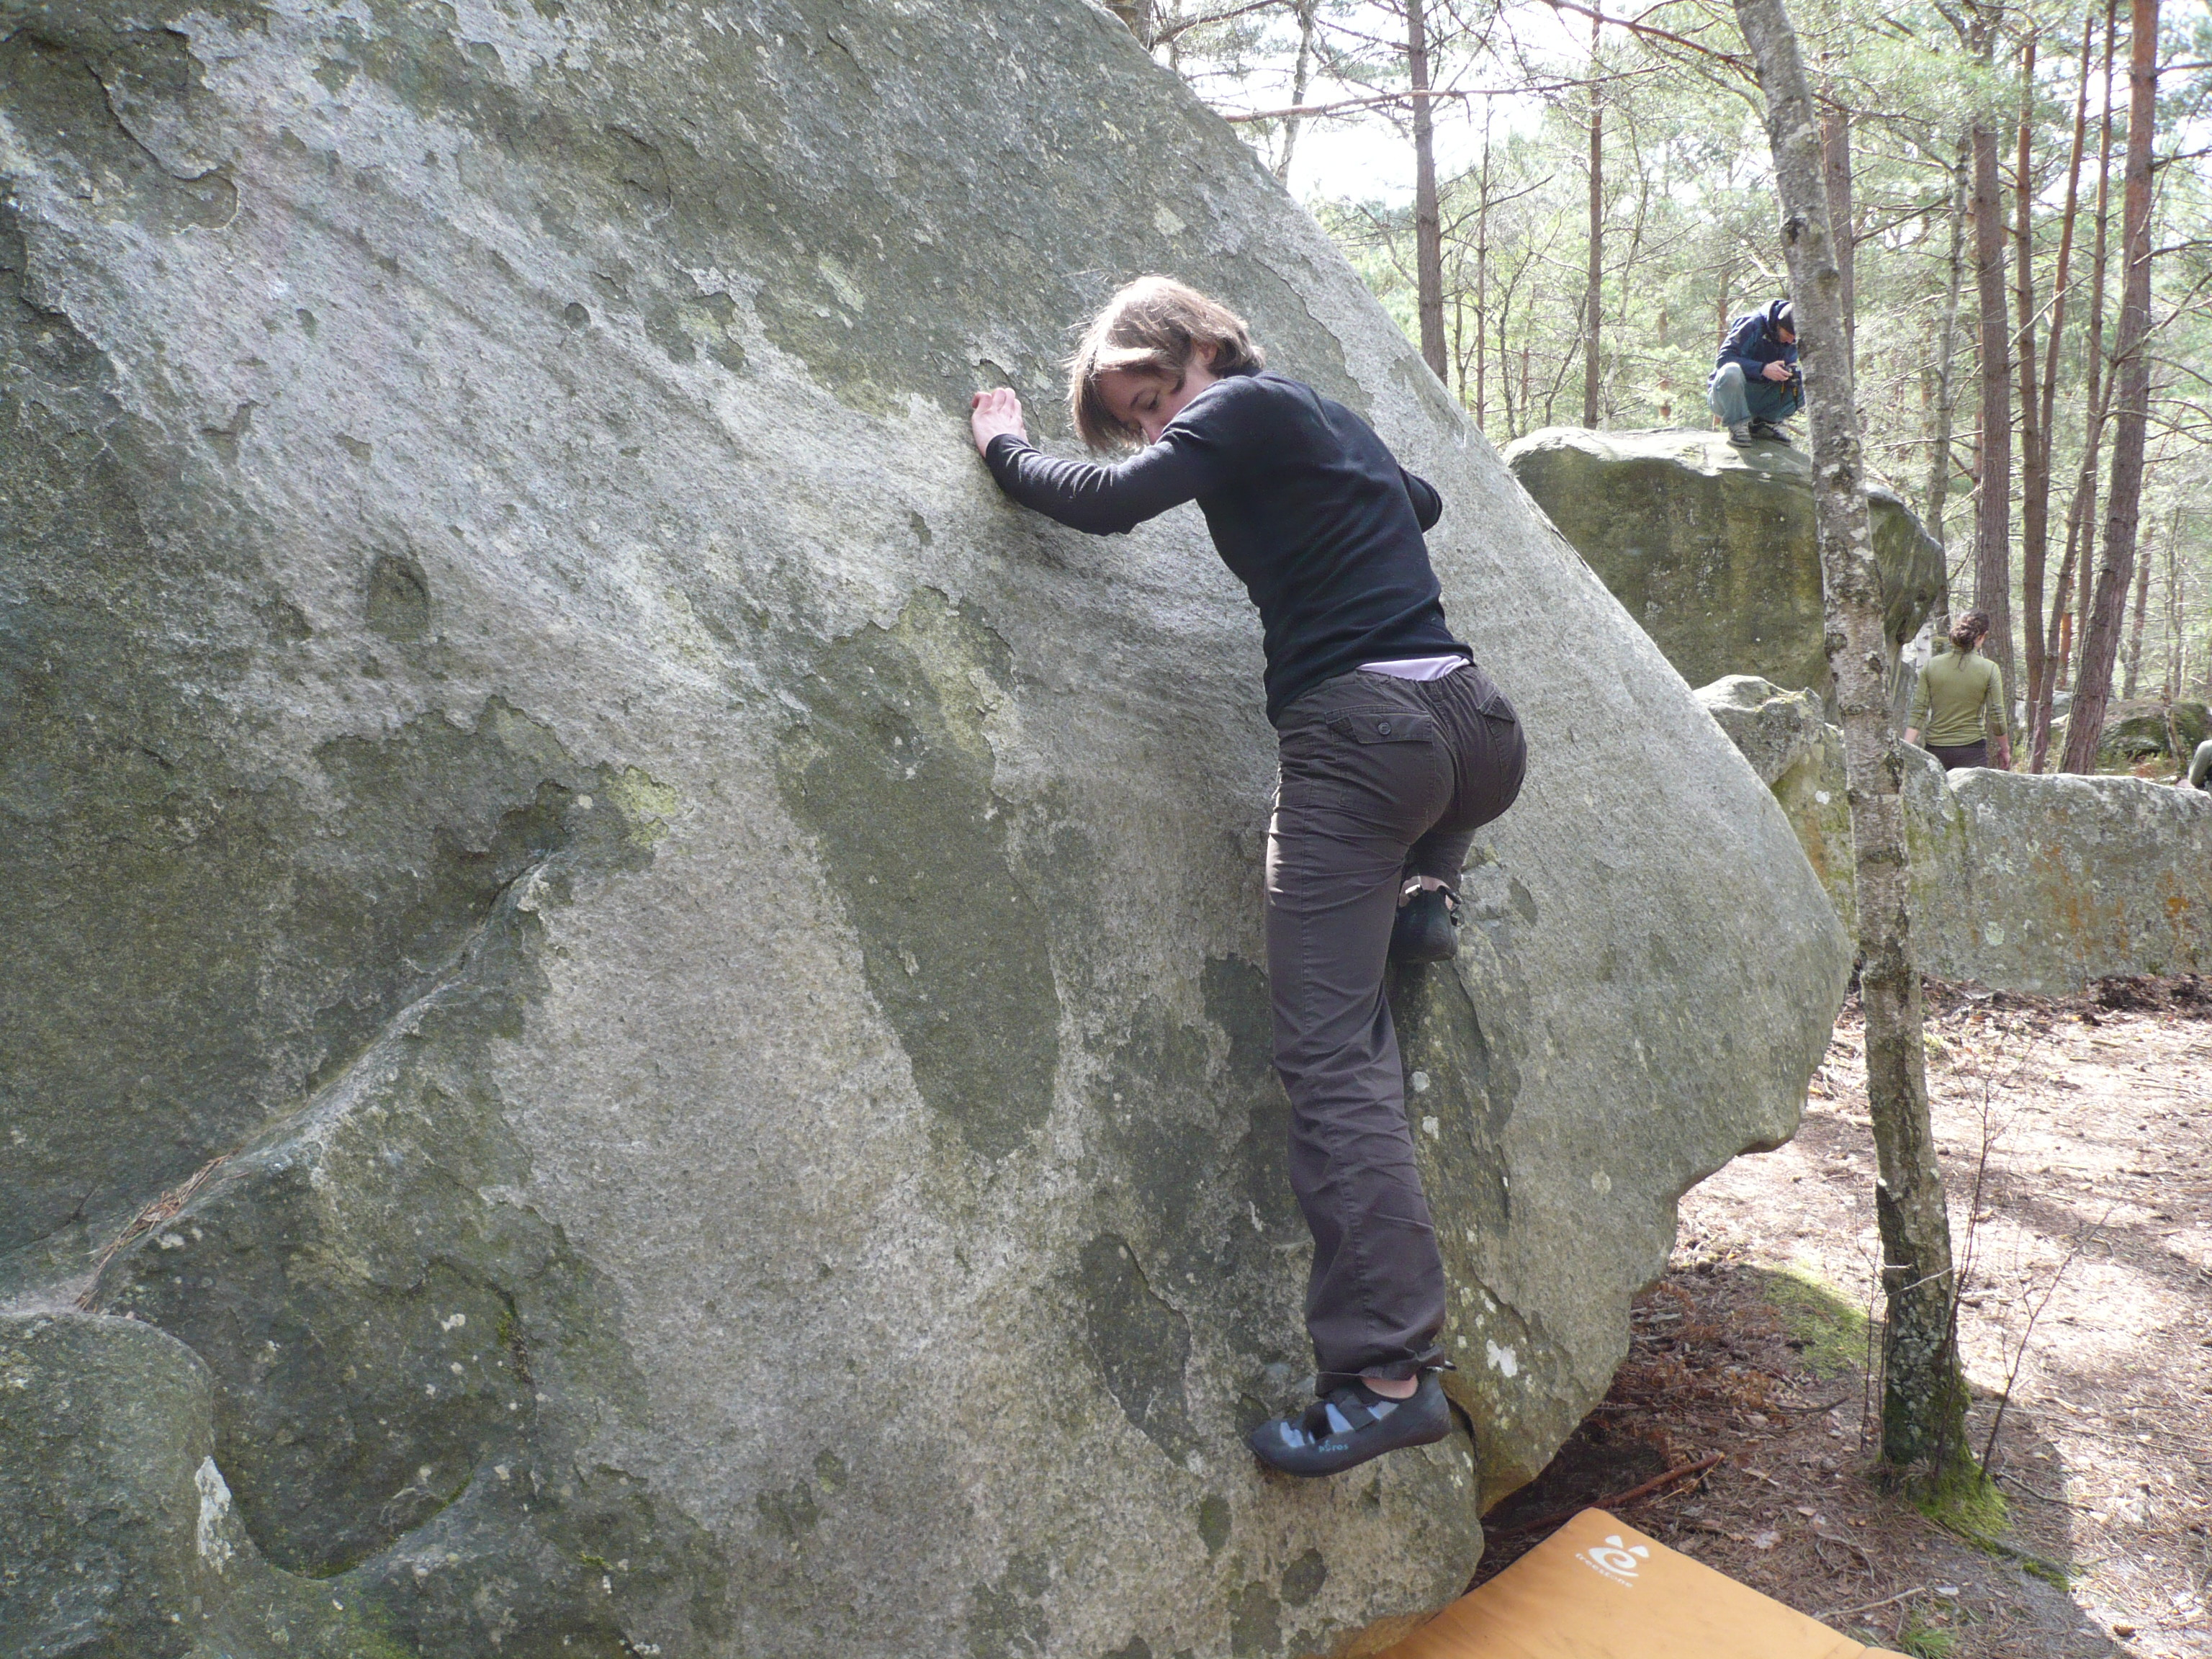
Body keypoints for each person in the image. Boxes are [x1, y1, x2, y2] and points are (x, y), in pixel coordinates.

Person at [970, 276, 1525, 1478]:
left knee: (1332, 1056)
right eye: (1140, 409)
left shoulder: (1249, 403)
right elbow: (1415, 500)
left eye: (1161, 391)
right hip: (1475, 731)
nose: (1162, 425)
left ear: (1206, 345)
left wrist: (1003, 443)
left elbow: (1109, 503)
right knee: (1415, 826)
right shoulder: (1315, 419)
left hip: (1365, 737)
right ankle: (1424, 896)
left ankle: (1384, 1375)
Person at [1906, 611, 2012, 771]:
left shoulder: (1932, 666)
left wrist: (1905, 749)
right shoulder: (1989, 669)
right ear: (1982, 636)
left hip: (1936, 751)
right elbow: (1996, 714)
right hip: (1972, 752)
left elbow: (1919, 711)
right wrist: (2005, 749)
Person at [1708, 297, 1800, 448]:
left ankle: (1764, 423)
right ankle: (1737, 424)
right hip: (1727, 396)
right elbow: (1723, 360)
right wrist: (1762, 369)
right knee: (1731, 371)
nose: (1791, 342)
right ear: (1778, 325)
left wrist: (1789, 372)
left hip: (1760, 395)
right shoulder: (1751, 323)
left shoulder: (1792, 339)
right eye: (1788, 335)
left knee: (1807, 381)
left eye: (1794, 338)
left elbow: (1790, 362)